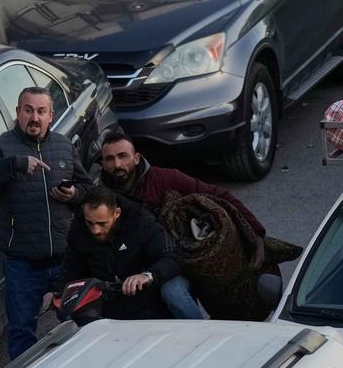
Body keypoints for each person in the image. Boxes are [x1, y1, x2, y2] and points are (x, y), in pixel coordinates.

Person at [0, 86, 92, 358]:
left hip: (65, 259)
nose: (34, 117)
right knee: (22, 331)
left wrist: (73, 195)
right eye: (28, 110)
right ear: (18, 113)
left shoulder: (63, 145)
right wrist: (15, 164)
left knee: (77, 324)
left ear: (50, 116)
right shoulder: (2, 147)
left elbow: (87, 189)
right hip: (23, 264)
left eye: (41, 111)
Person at [100, 132, 268, 319]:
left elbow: (219, 195)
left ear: (136, 158)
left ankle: (203, 338)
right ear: (103, 164)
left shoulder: (166, 179)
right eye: (110, 159)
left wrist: (256, 232)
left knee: (174, 294)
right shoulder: (102, 198)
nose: (117, 164)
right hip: (138, 272)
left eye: (122, 156)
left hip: (181, 262)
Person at [49, 185, 182, 321]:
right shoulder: (78, 230)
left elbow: (172, 257)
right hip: (102, 311)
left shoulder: (140, 222)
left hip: (147, 306)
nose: (95, 230)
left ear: (116, 213)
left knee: (175, 292)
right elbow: (71, 269)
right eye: (90, 223)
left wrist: (147, 276)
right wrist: (57, 292)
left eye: (102, 223)